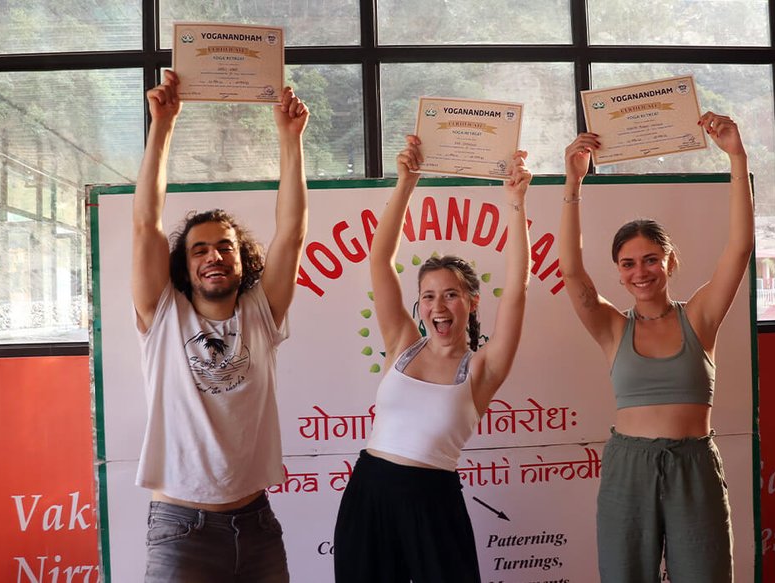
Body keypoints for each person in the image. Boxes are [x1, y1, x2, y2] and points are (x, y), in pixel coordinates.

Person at [130, 69, 310, 583]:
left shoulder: (260, 312)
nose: (214, 256)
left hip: (256, 524)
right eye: (200, 249)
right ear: (184, 266)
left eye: (225, 246)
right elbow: (146, 225)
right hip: (180, 529)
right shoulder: (162, 314)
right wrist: (162, 125)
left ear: (241, 259)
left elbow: (292, 233)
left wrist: (289, 140)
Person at [559, 112, 752, 582]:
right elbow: (571, 271)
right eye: (627, 264)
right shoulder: (610, 327)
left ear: (669, 261)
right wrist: (573, 182)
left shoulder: (700, 318)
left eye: (651, 260)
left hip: (694, 466)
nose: (639, 272)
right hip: (630, 468)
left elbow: (740, 248)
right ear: (619, 271)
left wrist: (737, 157)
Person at [332, 136, 533, 582]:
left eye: (451, 295)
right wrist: (407, 181)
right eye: (428, 296)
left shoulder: (483, 368)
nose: (438, 306)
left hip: (433, 499)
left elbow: (517, 288)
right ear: (418, 305)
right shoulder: (402, 341)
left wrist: (515, 201)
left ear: (472, 302)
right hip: (370, 491)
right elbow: (380, 261)